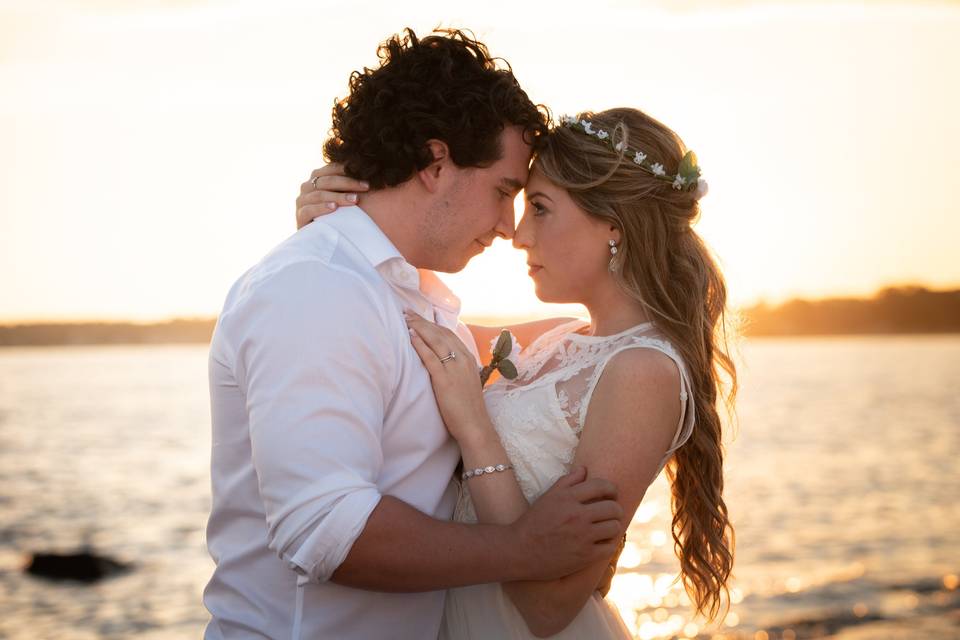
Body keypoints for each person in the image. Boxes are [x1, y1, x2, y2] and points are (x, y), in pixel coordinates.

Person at [203, 29, 627, 640]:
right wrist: (522, 550)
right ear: (435, 164)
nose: (510, 228)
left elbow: (534, 346)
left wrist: (649, 338)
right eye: (504, 191)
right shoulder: (313, 289)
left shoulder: (402, 295)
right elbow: (327, 530)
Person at [300, 107, 738, 637]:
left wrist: (475, 427)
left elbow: (549, 605)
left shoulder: (645, 373)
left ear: (613, 228)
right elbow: (403, 322)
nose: (519, 234)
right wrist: (339, 229)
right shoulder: (556, 338)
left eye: (540, 208)